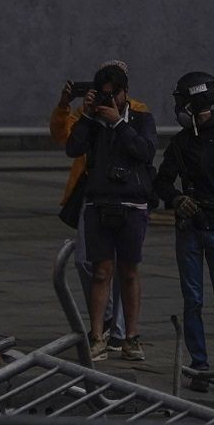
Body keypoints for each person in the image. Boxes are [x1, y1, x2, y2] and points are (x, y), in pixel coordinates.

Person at [154, 71, 214, 373]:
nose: (180, 110)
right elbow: (161, 182)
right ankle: (199, 365)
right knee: (193, 300)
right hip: (190, 230)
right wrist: (176, 199)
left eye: (183, 103)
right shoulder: (182, 142)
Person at [63, 63, 158, 361]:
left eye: (114, 95)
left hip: (131, 203)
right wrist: (88, 115)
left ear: (125, 92)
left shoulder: (141, 118)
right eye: (103, 95)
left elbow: (145, 151)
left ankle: (131, 337)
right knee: (101, 271)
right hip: (98, 202)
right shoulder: (92, 120)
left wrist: (118, 123)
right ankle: (96, 336)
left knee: (129, 272)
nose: (109, 101)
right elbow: (73, 147)